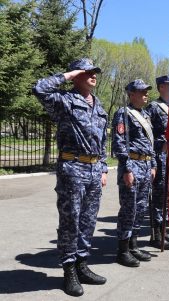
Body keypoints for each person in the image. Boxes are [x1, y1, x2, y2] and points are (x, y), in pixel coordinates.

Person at [32, 58, 108, 297]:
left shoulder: (99, 105)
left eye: (95, 72)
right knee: (71, 222)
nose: (94, 76)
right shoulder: (65, 101)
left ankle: (82, 265)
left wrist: (103, 167)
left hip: (94, 171)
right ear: (77, 76)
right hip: (72, 168)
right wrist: (68, 74)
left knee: (88, 221)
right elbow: (39, 88)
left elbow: (102, 142)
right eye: (88, 72)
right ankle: (69, 271)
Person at [112, 79, 155, 267]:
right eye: (141, 91)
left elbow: (150, 143)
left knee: (141, 207)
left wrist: (152, 164)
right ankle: (123, 250)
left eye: (146, 91)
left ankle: (134, 245)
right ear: (131, 94)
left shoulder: (145, 114)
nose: (146, 94)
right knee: (129, 209)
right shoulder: (124, 113)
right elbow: (119, 143)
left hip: (145, 165)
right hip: (132, 164)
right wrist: (127, 169)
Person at [145, 75, 169, 250]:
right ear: (160, 87)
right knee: (159, 197)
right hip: (160, 156)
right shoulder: (153, 107)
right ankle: (156, 235)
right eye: (168, 85)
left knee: (168, 195)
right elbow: (148, 137)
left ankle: (164, 232)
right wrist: (161, 146)